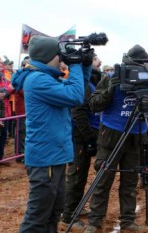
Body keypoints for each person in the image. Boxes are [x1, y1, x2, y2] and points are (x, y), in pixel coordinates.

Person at [11, 35, 92, 232]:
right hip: (45, 158)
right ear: (50, 57)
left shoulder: (46, 77)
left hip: (54, 156)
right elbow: (75, 95)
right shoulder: (38, 80)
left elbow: (79, 88)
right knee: (37, 216)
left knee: (54, 212)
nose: (62, 58)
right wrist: (73, 65)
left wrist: (84, 66)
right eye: (60, 55)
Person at [84, 45, 148, 233]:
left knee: (130, 180)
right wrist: (112, 88)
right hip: (112, 135)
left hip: (136, 134)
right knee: (104, 179)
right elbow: (94, 104)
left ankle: (128, 220)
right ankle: (95, 222)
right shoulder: (112, 77)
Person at [61, 54, 102, 229]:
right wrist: (89, 138)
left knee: (81, 174)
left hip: (86, 134)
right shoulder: (85, 85)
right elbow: (78, 114)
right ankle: (68, 215)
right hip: (80, 136)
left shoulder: (92, 82)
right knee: (76, 175)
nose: (99, 62)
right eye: (95, 59)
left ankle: (76, 206)